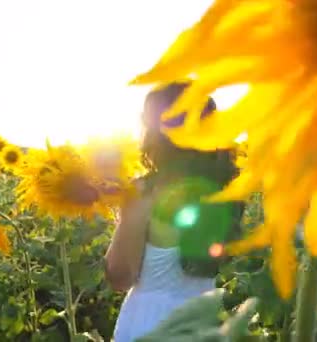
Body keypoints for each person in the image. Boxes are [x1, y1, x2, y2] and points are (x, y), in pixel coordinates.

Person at [104, 81, 246, 342]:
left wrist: (122, 217)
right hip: (204, 325)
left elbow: (120, 275)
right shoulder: (227, 190)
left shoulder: (146, 192)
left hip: (149, 325)